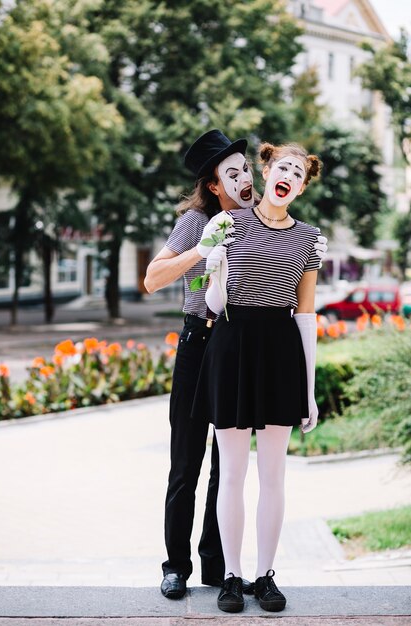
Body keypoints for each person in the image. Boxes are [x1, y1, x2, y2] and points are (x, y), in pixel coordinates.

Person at [144, 130, 327, 601]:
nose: (245, 178)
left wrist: (311, 253)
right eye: (234, 173)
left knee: (229, 468)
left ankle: (221, 567)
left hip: (242, 344)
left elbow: (296, 285)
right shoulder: (198, 222)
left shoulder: (252, 221)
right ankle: (175, 567)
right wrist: (205, 251)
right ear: (214, 185)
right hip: (199, 340)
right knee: (187, 461)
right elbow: (152, 279)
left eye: (246, 168)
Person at [191, 141, 324, 614]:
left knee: (274, 475)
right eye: (281, 165)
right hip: (233, 343)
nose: (288, 174)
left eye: (298, 172)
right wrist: (216, 263)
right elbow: (212, 305)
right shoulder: (229, 223)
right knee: (232, 472)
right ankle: (231, 576)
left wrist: (308, 391)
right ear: (267, 171)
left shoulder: (310, 239)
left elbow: (306, 315)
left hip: (281, 348)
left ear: (303, 186)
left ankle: (265, 576)